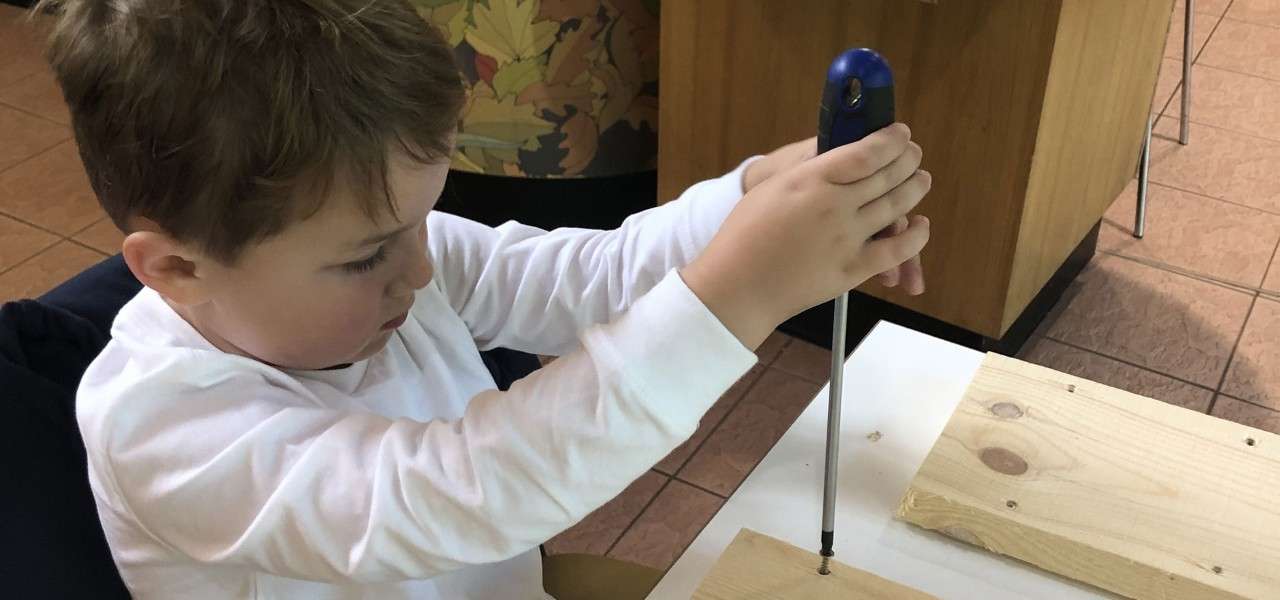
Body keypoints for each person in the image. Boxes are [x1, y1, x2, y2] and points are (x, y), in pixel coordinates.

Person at [41, 0, 931, 597]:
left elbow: (595, 278)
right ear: (175, 270)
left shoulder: (395, 269)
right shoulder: (160, 429)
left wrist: (748, 202)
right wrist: (736, 295)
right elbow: (463, 493)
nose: (422, 270)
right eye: (366, 255)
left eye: (424, 218)